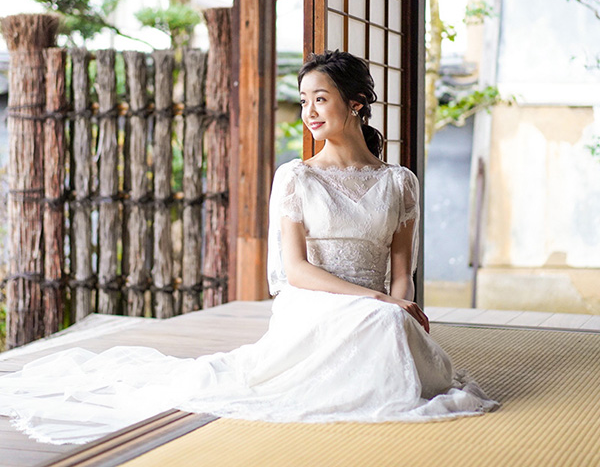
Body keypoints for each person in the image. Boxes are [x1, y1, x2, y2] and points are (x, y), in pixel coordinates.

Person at [0, 50, 498, 445]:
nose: (309, 112)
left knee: (394, 330)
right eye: (303, 101)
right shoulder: (296, 177)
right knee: (382, 322)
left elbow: (401, 265)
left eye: (320, 99)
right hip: (314, 303)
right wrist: (381, 303)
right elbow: (296, 271)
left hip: (379, 308)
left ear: (356, 104)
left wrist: (400, 302)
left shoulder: (399, 181)